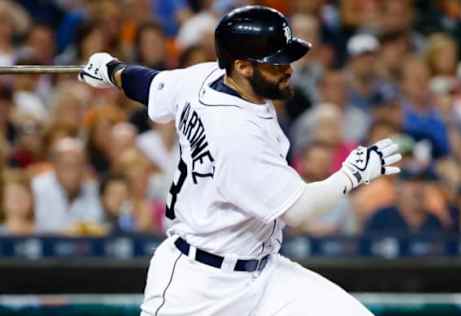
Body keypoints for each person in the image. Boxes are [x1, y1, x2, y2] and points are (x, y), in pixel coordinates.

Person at [79, 5, 401, 316]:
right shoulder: (235, 134)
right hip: (199, 286)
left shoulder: (203, 77)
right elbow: (298, 210)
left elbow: (149, 84)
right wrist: (351, 175)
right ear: (243, 66)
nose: (288, 69)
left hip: (266, 275)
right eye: (275, 63)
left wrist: (111, 70)